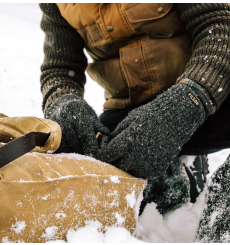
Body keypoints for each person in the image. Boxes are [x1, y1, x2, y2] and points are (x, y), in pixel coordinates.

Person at [39, 3, 230, 220]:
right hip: (130, 115)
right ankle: (175, 175)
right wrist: (64, 103)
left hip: (206, 91)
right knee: (100, 194)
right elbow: (59, 68)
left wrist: (187, 100)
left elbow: (220, 27)